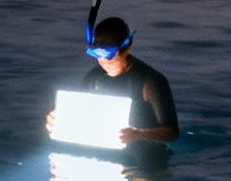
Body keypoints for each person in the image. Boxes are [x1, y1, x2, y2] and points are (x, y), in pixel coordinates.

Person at [75, 13, 179, 148]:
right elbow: (80, 116)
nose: (103, 60)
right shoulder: (93, 78)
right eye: (96, 53)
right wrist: (57, 119)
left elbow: (172, 133)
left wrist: (139, 134)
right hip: (104, 154)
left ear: (127, 48)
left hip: (144, 162)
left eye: (109, 54)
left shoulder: (150, 82)